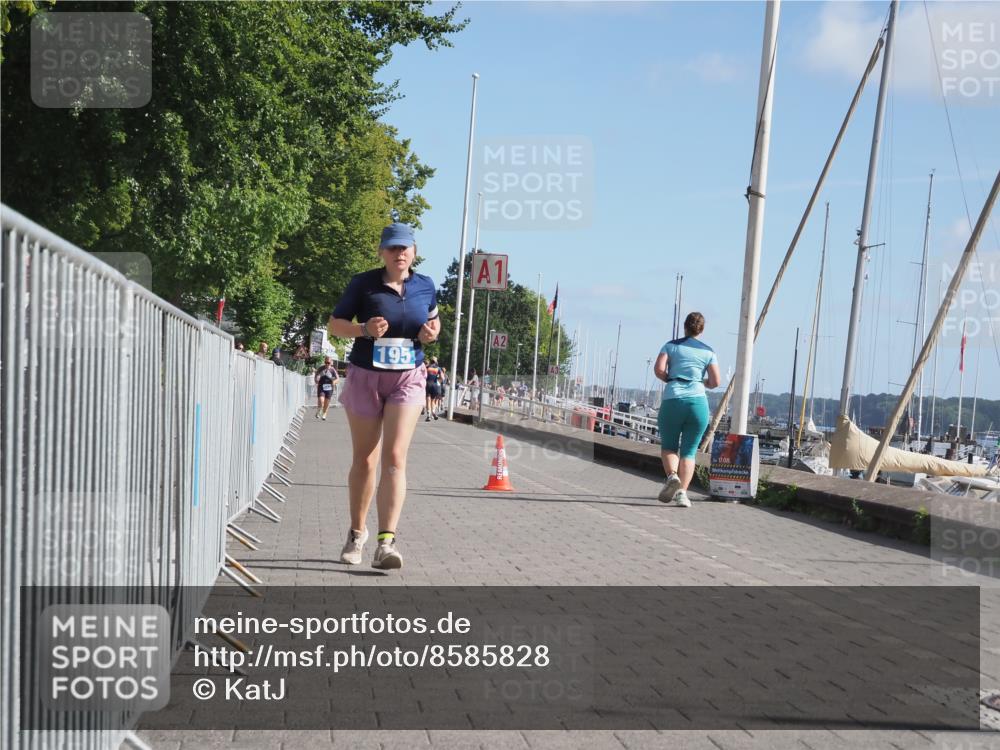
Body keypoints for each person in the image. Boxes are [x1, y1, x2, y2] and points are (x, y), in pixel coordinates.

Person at [328, 222, 440, 570]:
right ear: (382, 252)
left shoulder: (426, 286)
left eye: (405, 247)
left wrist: (430, 334)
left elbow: (434, 325)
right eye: (392, 248)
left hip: (408, 377)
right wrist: (362, 329)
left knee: (394, 457)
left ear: (414, 252)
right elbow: (335, 324)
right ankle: (357, 534)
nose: (400, 253)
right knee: (365, 459)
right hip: (365, 375)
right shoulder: (364, 284)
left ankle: (386, 543)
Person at [652, 312, 721, 507]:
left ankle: (672, 476)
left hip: (673, 399)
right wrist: (702, 382)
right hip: (698, 402)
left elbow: (658, 369)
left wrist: (670, 379)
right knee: (689, 452)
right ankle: (682, 494)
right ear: (702, 329)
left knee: (669, 447)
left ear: (685, 326)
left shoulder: (671, 346)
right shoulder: (709, 352)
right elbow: (716, 382)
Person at [424, 357, 443, 421]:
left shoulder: (427, 367)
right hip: (435, 385)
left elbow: (423, 375)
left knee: (428, 399)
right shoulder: (438, 368)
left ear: (431, 361)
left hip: (428, 384)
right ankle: (433, 412)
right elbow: (442, 378)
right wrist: (438, 381)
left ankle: (428, 415)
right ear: (436, 361)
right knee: (433, 400)